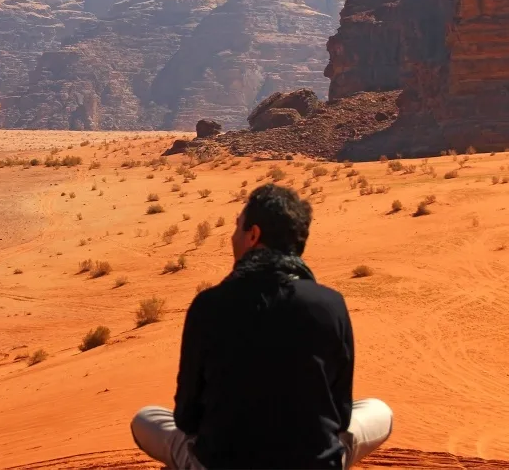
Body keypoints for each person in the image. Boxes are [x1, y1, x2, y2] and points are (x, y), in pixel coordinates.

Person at [130, 183, 392, 469]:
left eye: (237, 226)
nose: (232, 236)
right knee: (379, 411)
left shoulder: (208, 305)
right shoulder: (331, 304)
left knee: (146, 419)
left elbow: (186, 418)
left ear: (253, 235)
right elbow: (341, 416)